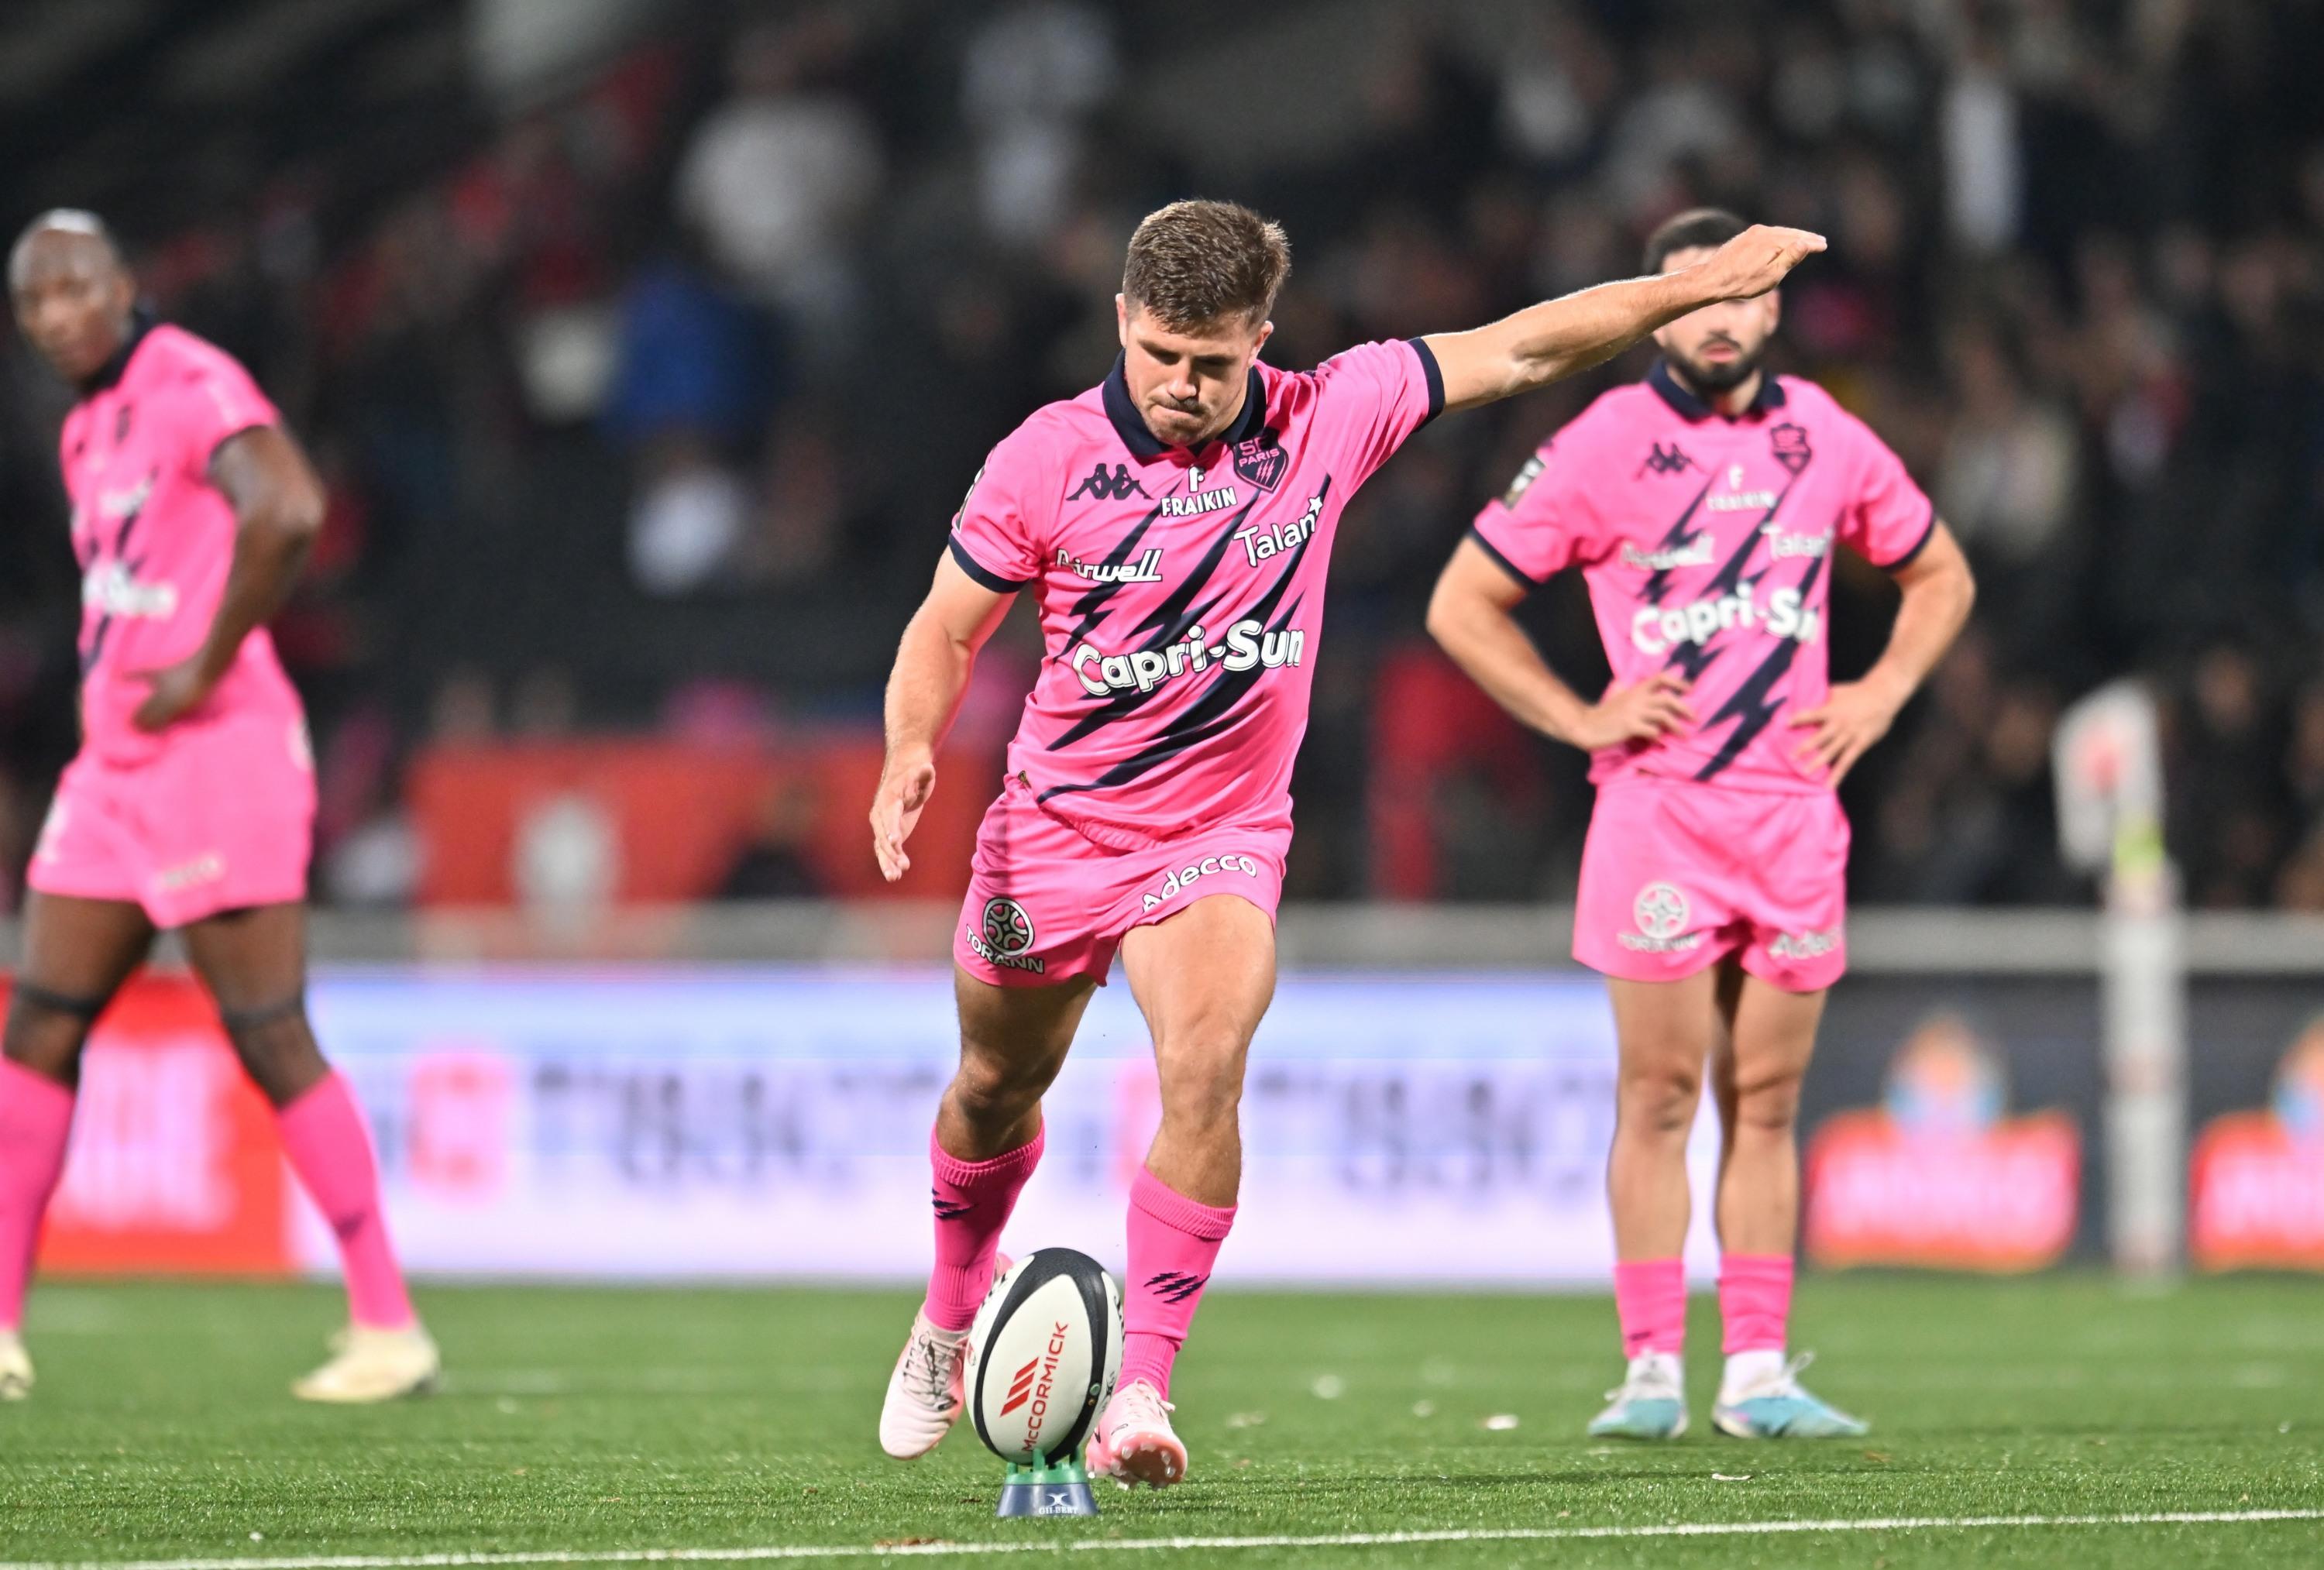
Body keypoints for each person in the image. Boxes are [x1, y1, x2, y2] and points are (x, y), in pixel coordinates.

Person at [869, 198, 1824, 1483]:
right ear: (1121, 324)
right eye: (1159, 356)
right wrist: (910, 747)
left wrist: (1686, 288)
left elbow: (1528, 347)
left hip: (1216, 836)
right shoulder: (1041, 459)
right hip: (1052, 834)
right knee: (993, 1090)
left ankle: (1142, 1388)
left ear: (1264, 336)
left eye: (1214, 361)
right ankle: (947, 1309)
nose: (1185, 387)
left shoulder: (1332, 410)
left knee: (1206, 1062)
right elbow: (944, 628)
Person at [1425, 208, 1976, 1441]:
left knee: (1768, 1099)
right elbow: (1463, 602)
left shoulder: (1821, 434)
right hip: (1660, 813)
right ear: (1661, 305)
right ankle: (1652, 1372)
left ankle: (1762, 1372)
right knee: (1661, 1093)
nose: (1720, 316)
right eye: (1693, 294)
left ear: (1773, 306)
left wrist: (1880, 695)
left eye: (1739, 294)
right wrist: (1578, 718)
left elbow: (1942, 574)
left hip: (1791, 814)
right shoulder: (1603, 440)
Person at [0, 212, 437, 1403]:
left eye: (74, 288)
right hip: (112, 771)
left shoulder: (191, 380)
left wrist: (201, 665)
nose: (54, 316)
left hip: (217, 753)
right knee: (37, 1019)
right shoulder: (84, 421)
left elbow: (288, 507)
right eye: (33, 300)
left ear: (123, 284)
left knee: (268, 1031)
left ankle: (389, 1326)